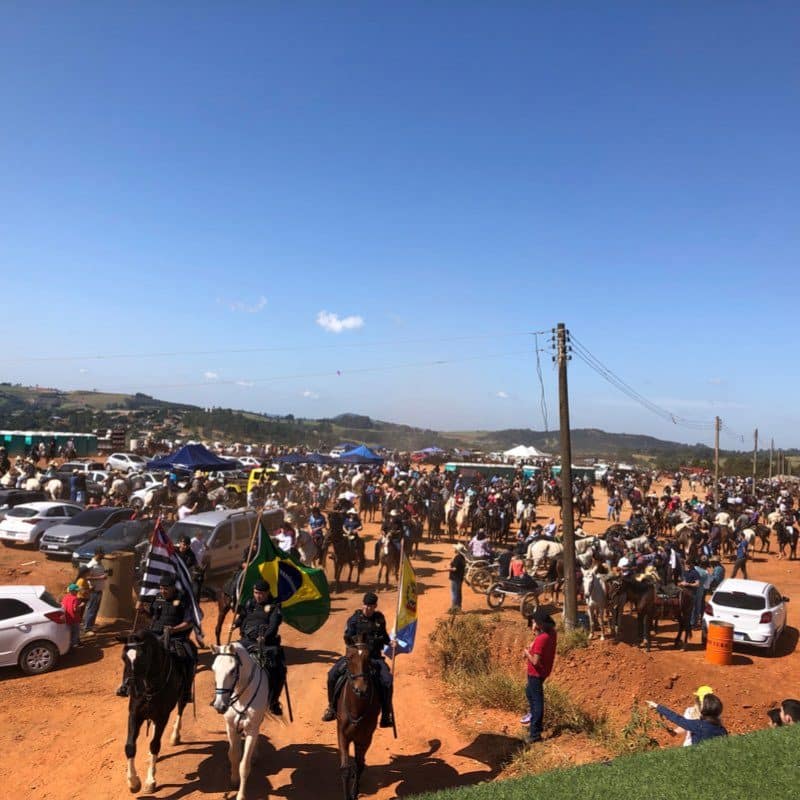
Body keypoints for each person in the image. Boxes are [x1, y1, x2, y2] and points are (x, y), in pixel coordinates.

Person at [117, 574, 197, 702]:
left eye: (166, 589)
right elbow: (153, 616)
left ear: (173, 588)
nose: (162, 591)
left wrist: (174, 629)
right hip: (153, 634)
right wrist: (143, 611)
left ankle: (186, 691)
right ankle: (126, 684)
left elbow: (190, 622)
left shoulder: (183, 599)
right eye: (160, 588)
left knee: (190, 657)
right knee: (132, 653)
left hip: (174, 636)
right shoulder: (158, 598)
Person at [322, 591, 396, 728]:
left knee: (387, 680)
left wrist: (391, 642)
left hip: (374, 658)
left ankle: (386, 715)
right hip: (355, 659)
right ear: (363, 605)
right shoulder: (354, 620)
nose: (368, 609)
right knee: (332, 675)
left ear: (375, 606)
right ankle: (332, 708)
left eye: (371, 606)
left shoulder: (379, 619)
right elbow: (347, 638)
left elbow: (384, 636)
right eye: (366, 606)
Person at [233, 579, 286, 715]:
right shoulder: (250, 603)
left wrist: (265, 636)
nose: (258, 596)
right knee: (227, 658)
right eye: (256, 593)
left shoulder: (274, 606)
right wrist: (235, 624)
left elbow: (273, 625)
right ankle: (224, 694)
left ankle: (273, 701)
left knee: (278, 669)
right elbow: (242, 617)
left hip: (265, 644)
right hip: (245, 641)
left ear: (267, 593)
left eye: (261, 593)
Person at [522, 609, 557, 743]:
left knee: (537, 701)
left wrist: (527, 652)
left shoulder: (542, 639)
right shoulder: (551, 633)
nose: (533, 623)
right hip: (543, 672)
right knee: (529, 692)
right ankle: (534, 720)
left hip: (535, 673)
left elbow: (535, 661)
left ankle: (535, 733)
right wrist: (535, 635)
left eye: (535, 621)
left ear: (540, 624)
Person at [645, 693, 727, 744]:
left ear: (703, 710)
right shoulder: (722, 730)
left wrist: (657, 706)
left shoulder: (699, 726)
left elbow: (677, 718)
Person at [82, 548, 107, 635]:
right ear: (97, 554)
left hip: (99, 590)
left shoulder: (99, 563)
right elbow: (86, 577)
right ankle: (87, 629)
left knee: (95, 609)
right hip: (94, 590)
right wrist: (100, 578)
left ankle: (90, 626)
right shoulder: (91, 565)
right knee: (91, 609)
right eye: (102, 554)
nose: (104, 555)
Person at [61, 583, 85, 648]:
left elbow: (62, 606)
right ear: (72, 591)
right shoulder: (75, 598)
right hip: (74, 618)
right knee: (75, 632)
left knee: (69, 632)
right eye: (76, 590)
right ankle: (73, 645)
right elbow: (75, 609)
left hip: (66, 618)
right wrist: (81, 605)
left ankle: (68, 645)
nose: (77, 592)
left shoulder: (65, 597)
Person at [448, 543, 467, 610]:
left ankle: (454, 607)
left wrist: (448, 568)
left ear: (457, 550)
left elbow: (455, 568)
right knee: (458, 592)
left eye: (455, 549)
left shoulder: (457, 558)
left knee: (454, 592)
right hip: (459, 577)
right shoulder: (462, 557)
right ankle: (458, 606)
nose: (454, 549)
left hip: (455, 577)